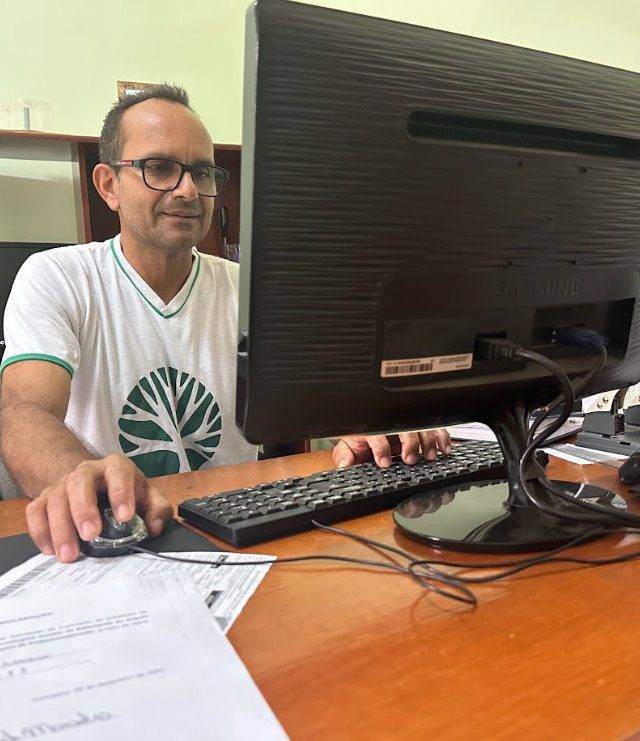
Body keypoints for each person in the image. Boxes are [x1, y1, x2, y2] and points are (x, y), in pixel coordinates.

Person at [0, 84, 451, 563]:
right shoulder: (58, 277)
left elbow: (317, 398)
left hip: (237, 527)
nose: (188, 190)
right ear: (108, 184)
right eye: (160, 168)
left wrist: (370, 428)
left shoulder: (247, 289)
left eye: (202, 172)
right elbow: (22, 410)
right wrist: (77, 476)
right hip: (117, 533)